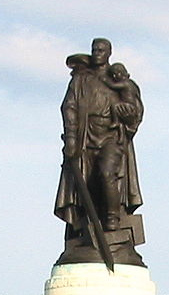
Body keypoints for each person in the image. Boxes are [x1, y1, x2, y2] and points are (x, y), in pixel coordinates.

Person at [55, 37, 144, 265]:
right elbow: (70, 106)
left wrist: (128, 113)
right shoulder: (81, 79)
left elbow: (135, 110)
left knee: (106, 174)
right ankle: (86, 231)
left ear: (109, 53)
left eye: (101, 50)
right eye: (94, 49)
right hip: (85, 137)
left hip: (111, 136)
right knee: (86, 185)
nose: (97, 53)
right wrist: (72, 138)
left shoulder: (118, 79)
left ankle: (112, 220)